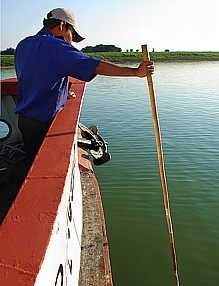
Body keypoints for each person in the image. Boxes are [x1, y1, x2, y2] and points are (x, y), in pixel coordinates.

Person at [14, 8, 154, 170]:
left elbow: (39, 76)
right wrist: (136, 72)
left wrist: (62, 93)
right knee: (46, 169)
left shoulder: (23, 45)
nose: (71, 41)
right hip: (43, 125)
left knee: (32, 165)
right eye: (72, 35)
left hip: (25, 120)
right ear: (62, 25)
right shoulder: (56, 46)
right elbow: (93, 65)